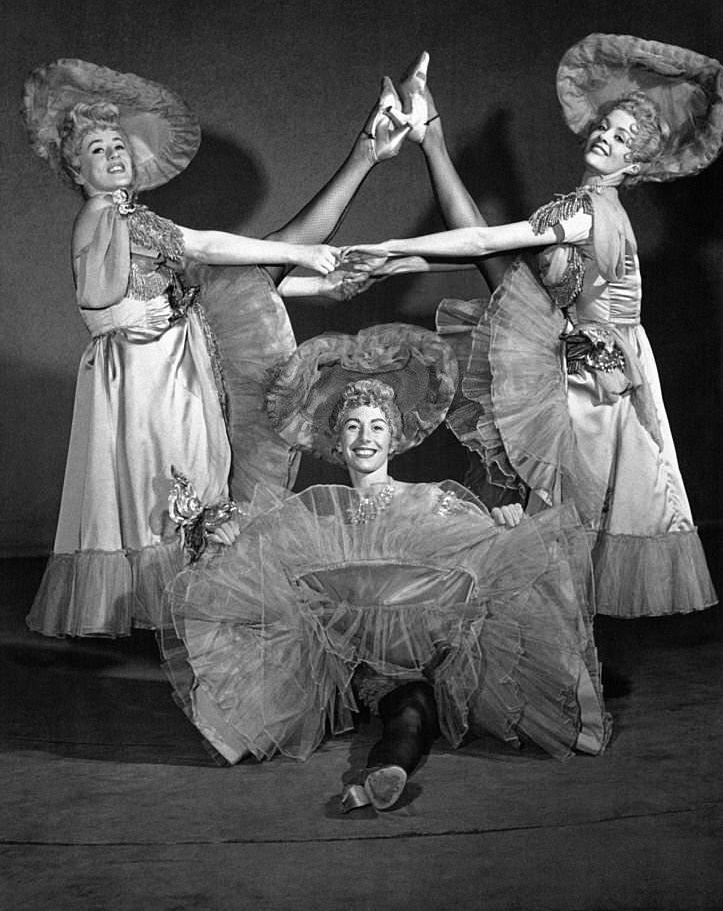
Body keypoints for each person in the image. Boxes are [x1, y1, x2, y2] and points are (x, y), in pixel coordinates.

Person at [21, 58, 418, 638]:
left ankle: (365, 155)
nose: (113, 156)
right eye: (97, 150)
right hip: (146, 371)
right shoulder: (106, 216)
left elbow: (201, 281)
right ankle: (365, 155)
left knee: (197, 471)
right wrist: (301, 259)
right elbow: (204, 246)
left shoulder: (130, 218)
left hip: (174, 357)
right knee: (168, 484)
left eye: (118, 146)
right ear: (76, 170)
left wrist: (315, 280)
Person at [347, 36, 723, 618]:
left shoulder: (585, 212)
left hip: (592, 387)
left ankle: (564, 673)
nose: (606, 136)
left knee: (560, 534)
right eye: (607, 126)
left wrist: (390, 247)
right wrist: (402, 260)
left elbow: (483, 241)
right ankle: (433, 135)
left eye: (623, 138)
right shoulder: (586, 206)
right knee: (550, 533)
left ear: (635, 165)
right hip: (576, 362)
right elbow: (491, 257)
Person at [161, 324, 610, 814]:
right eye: (353, 426)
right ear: (338, 439)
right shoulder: (312, 514)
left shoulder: (431, 501)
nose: (365, 437)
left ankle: (381, 776)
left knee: (414, 712)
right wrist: (226, 540)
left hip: (422, 666)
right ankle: (368, 764)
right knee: (390, 703)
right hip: (339, 672)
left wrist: (505, 525)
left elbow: (483, 553)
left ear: (393, 438)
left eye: (376, 426)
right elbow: (258, 560)